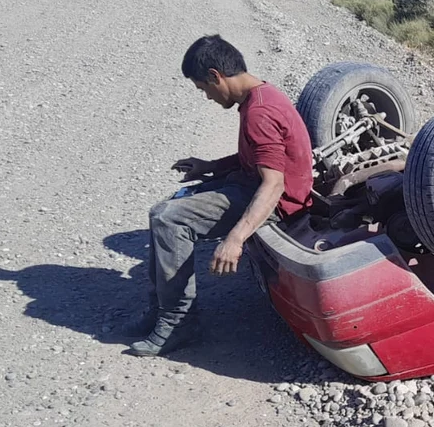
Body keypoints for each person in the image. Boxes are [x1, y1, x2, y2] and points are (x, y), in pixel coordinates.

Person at [126, 35, 313, 357]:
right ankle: (162, 309)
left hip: (276, 204)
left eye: (204, 88)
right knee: (166, 208)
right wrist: (210, 167)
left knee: (168, 220)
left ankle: (179, 322)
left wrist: (236, 239)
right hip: (250, 184)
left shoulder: (259, 113)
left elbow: (274, 184)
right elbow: (259, 159)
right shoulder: (261, 97)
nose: (207, 97)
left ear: (216, 76)